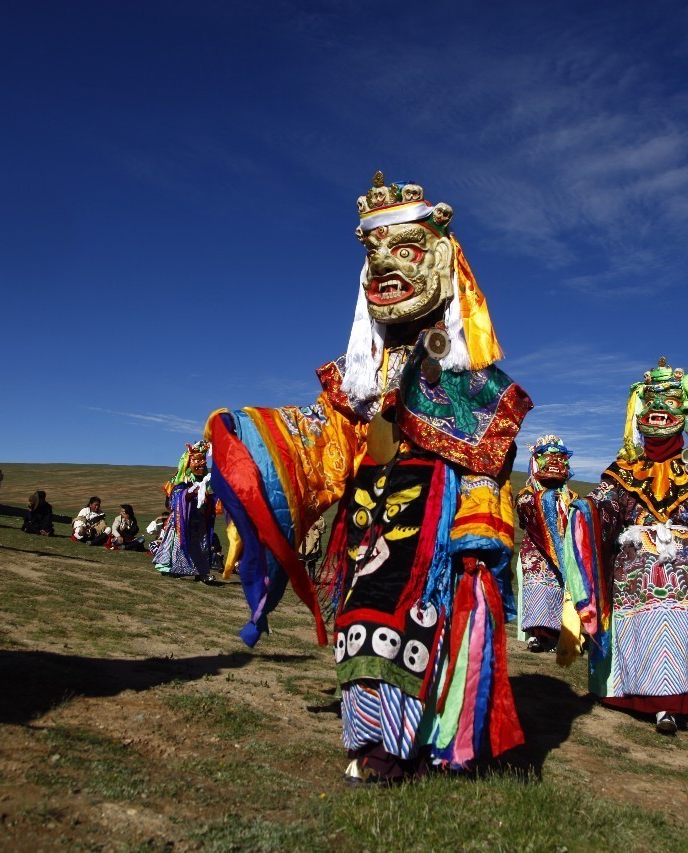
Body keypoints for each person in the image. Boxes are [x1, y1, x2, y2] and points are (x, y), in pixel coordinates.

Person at [208, 173, 532, 782]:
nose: (383, 264)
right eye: (372, 252)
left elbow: (489, 452)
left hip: (432, 507)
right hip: (368, 506)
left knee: (401, 612)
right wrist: (252, 434)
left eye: (404, 250)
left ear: (442, 261)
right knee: (359, 609)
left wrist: (478, 526)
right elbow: (328, 434)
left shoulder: (464, 375)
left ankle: (400, 744)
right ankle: (373, 735)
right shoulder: (365, 374)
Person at [561, 358, 688, 735]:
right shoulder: (624, 469)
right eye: (651, 403)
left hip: (679, 572)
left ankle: (666, 706)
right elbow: (605, 505)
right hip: (631, 570)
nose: (657, 411)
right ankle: (621, 693)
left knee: (671, 630)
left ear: (686, 410)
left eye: (669, 402)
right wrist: (586, 508)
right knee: (630, 631)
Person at [515, 435, 576, 654]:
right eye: (548, 458)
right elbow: (525, 514)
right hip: (537, 550)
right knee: (537, 588)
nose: (555, 463)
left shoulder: (571, 497)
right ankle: (537, 635)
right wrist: (545, 501)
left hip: (563, 551)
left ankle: (558, 634)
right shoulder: (527, 495)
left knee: (559, 590)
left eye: (560, 458)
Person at [151, 441, 219, 580]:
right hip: (182, 520)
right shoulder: (182, 482)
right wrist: (191, 493)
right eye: (197, 461)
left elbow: (208, 501)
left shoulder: (204, 482)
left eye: (203, 461)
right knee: (179, 544)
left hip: (198, 523)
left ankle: (201, 572)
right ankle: (176, 568)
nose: (201, 464)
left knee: (201, 546)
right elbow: (178, 498)